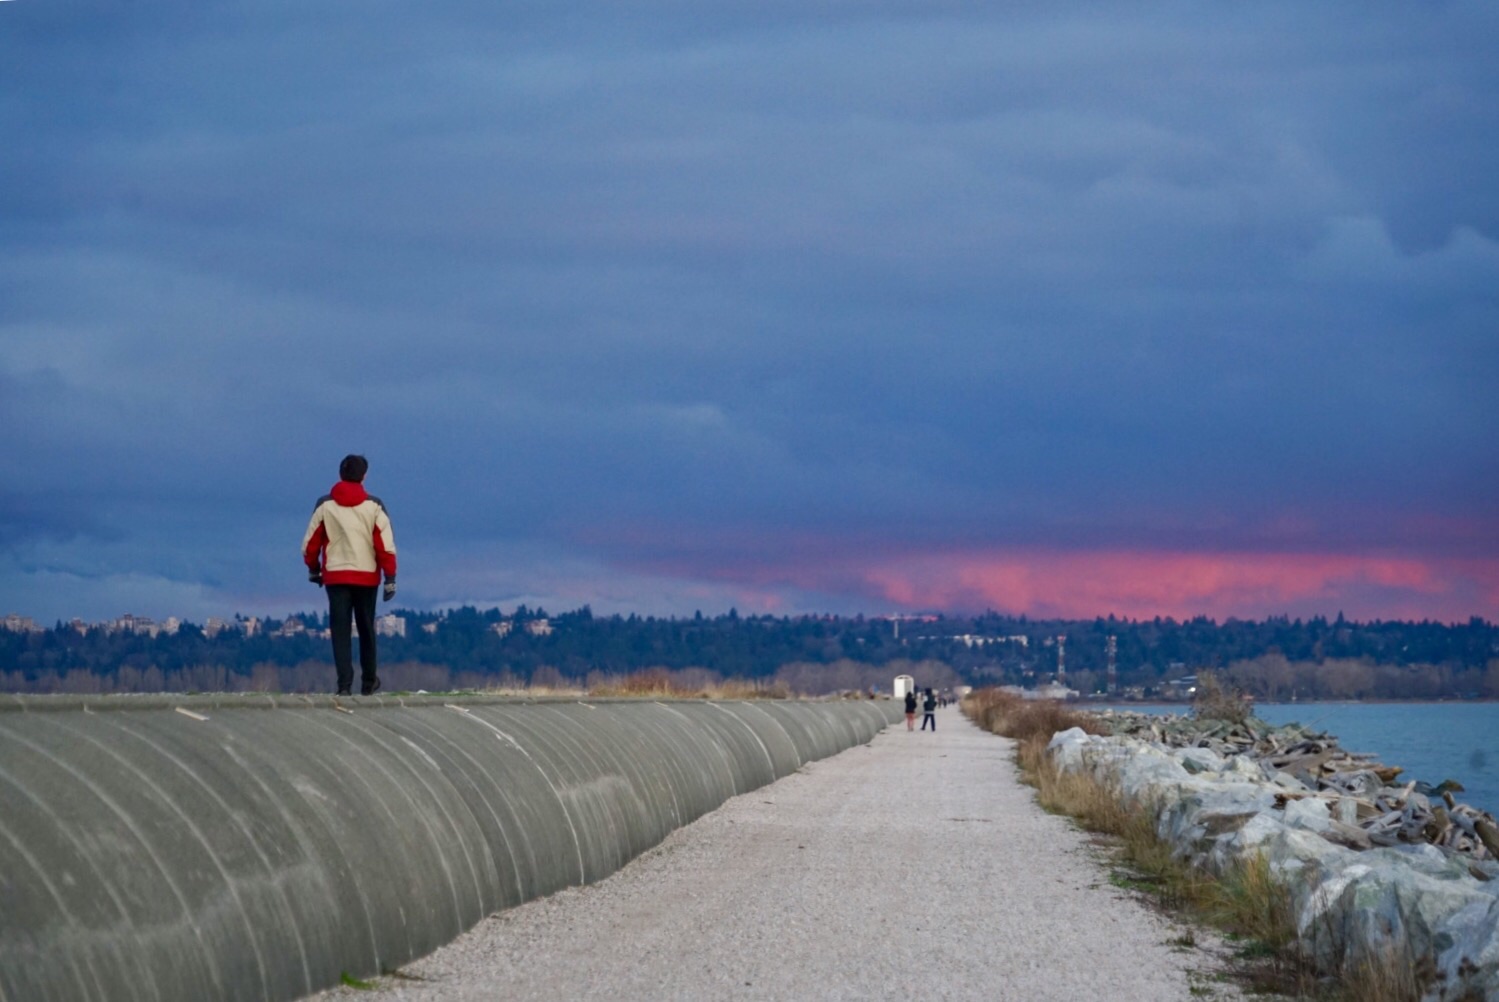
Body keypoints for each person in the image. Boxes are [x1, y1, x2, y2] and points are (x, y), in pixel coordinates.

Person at [302, 454, 397, 696]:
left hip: (335, 576)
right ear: (364, 476)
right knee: (366, 628)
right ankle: (369, 682)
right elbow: (384, 545)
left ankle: (344, 685)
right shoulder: (374, 506)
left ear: (340, 474)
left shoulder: (325, 505)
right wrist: (390, 577)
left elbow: (311, 543)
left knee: (340, 630)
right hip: (366, 576)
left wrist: (313, 568)